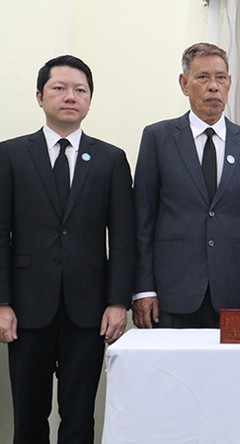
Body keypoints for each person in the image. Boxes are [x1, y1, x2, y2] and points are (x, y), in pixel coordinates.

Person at [0, 55, 134, 443]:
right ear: (39, 96)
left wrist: (117, 302)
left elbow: (122, 238)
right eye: (59, 88)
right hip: (27, 309)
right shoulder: (10, 156)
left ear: (90, 99)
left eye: (80, 90)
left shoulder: (111, 159)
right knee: (29, 419)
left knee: (79, 420)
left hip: (88, 311)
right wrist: (2, 302)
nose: (70, 96)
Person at [133, 42, 240, 328]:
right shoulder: (158, 138)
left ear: (229, 83)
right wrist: (143, 288)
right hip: (172, 294)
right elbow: (142, 219)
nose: (213, 86)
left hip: (234, 294)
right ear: (184, 84)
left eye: (220, 78)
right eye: (202, 77)